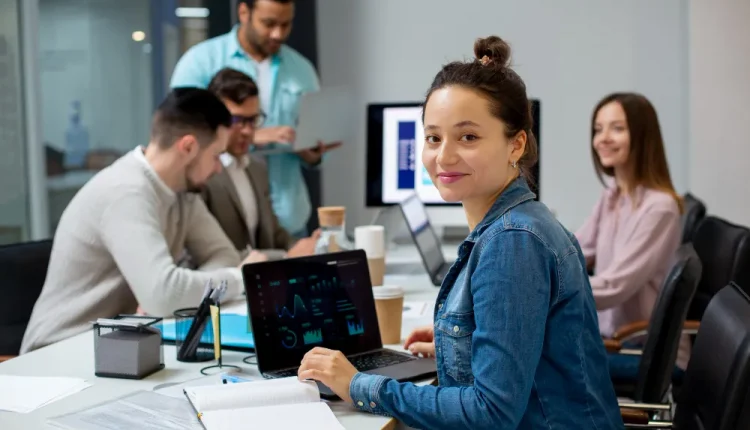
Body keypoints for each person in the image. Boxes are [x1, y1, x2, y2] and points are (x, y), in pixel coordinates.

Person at [296, 36, 622, 429]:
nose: (444, 156)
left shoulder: (513, 243)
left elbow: (491, 414)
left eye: (468, 136)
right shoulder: (522, 221)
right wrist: (463, 347)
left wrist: (360, 385)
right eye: (434, 137)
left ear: (515, 144)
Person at [21, 88, 265, 353]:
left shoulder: (182, 190)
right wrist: (239, 278)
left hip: (116, 346)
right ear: (188, 147)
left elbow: (222, 255)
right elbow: (163, 295)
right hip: (58, 353)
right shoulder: (125, 192)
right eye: (216, 155)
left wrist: (185, 290)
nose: (219, 168)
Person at [170, 0, 337, 238]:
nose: (278, 33)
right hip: (223, 221)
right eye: (269, 23)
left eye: (286, 24)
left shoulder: (302, 69)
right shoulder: (199, 62)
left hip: (289, 217)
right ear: (244, 12)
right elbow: (181, 132)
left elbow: (314, 138)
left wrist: (313, 154)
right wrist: (253, 135)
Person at [575, 93, 685, 372]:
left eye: (617, 128)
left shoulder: (660, 208)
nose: (603, 138)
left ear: (643, 136)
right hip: (613, 335)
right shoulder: (613, 194)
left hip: (640, 348)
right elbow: (575, 251)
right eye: (598, 129)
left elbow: (615, 287)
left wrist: (547, 290)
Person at [203, 67, 319, 259]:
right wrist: (285, 257)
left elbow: (274, 234)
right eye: (237, 120)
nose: (248, 131)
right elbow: (209, 256)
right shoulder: (203, 175)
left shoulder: (256, 167)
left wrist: (307, 247)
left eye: (253, 120)